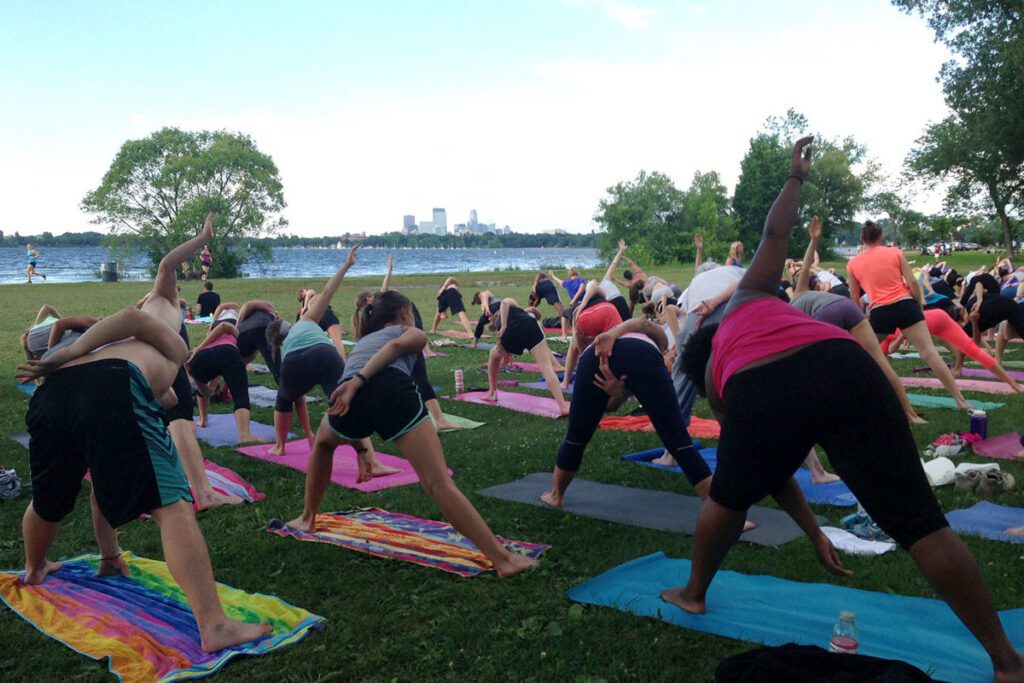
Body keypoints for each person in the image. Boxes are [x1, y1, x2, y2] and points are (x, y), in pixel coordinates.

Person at [667, 137, 1023, 683]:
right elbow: (775, 233)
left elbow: (755, 474)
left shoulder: (720, 376)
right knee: (923, 525)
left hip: (771, 387)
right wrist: (794, 178)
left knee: (726, 497)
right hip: (848, 365)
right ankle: (1006, 661)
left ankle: (693, 593)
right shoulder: (749, 299)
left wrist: (808, 527)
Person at [16, 223, 271, 652]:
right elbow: (146, 299)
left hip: (55, 394)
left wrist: (66, 351)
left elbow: (164, 395)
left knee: (50, 497)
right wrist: (203, 239)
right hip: (106, 383)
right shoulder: (168, 338)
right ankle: (214, 626)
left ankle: (36, 566)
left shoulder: (133, 347)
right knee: (171, 504)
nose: (177, 301)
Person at [283, 290, 538, 578]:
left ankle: (307, 518)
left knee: (324, 443)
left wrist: (362, 445)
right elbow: (395, 348)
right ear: (405, 312)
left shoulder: (364, 342)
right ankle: (503, 560)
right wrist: (358, 381)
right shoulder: (411, 331)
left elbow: (371, 374)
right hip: (383, 388)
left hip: (350, 396)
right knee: (438, 482)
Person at [792, 217, 927, 425]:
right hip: (844, 305)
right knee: (880, 361)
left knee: (829, 367)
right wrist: (814, 240)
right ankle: (909, 414)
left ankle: (838, 410)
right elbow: (807, 261)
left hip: (827, 314)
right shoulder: (802, 289)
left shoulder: (793, 306)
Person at [847, 220, 974, 411]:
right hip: (906, 305)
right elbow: (913, 283)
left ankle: (857, 395)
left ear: (862, 239)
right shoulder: (895, 252)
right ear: (880, 237)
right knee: (930, 353)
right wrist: (918, 306)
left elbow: (854, 296)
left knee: (864, 354)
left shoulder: (853, 263)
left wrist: (859, 320)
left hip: (880, 310)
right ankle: (960, 400)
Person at [470, 290, 570, 416]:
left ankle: (492, 392)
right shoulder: (517, 309)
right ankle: (562, 405)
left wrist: (504, 326)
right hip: (530, 327)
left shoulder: (499, 309)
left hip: (511, 333)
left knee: (494, 355)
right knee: (546, 367)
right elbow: (533, 312)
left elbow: (505, 303)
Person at [187, 310, 263, 444]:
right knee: (241, 395)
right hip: (228, 353)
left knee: (204, 388)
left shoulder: (193, 366)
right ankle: (244, 435)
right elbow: (224, 327)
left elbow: (205, 393)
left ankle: (203, 420)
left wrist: (199, 349)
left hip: (202, 360)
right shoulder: (234, 327)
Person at [297, 286, 347, 362]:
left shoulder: (303, 310)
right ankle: (343, 361)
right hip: (325, 315)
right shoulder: (311, 298)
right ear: (303, 294)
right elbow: (311, 291)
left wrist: (304, 307)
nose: (307, 290)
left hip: (315, 321)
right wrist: (305, 306)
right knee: (337, 340)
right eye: (305, 290)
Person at [430, 274, 476, 338]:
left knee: (438, 311)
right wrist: (444, 286)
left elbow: (439, 298)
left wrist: (443, 288)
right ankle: (470, 333)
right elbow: (450, 278)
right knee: (461, 312)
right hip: (450, 292)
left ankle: (433, 329)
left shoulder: (443, 290)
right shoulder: (453, 284)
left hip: (442, 294)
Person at [527, 273, 570, 339]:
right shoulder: (546, 281)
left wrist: (535, 285)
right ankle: (564, 329)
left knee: (530, 304)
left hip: (538, 288)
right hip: (549, 287)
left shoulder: (537, 285)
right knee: (560, 310)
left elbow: (538, 301)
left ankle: (528, 320)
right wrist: (535, 284)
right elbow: (540, 274)